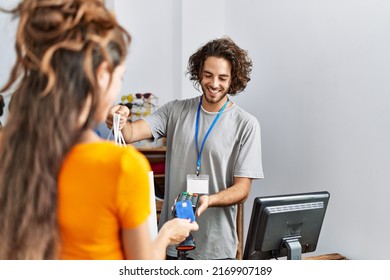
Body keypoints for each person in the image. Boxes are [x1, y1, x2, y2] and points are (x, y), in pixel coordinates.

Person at [0, 0, 197, 260]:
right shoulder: (122, 167)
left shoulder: (7, 149)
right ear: (102, 75)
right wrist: (167, 235)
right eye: (120, 78)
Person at [107, 36, 264, 259]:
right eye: (208, 75)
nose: (214, 84)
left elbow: (242, 189)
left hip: (216, 249)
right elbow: (130, 133)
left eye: (222, 78)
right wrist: (119, 119)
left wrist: (209, 200)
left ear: (233, 79)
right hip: (170, 245)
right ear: (199, 72)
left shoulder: (246, 125)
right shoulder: (175, 111)